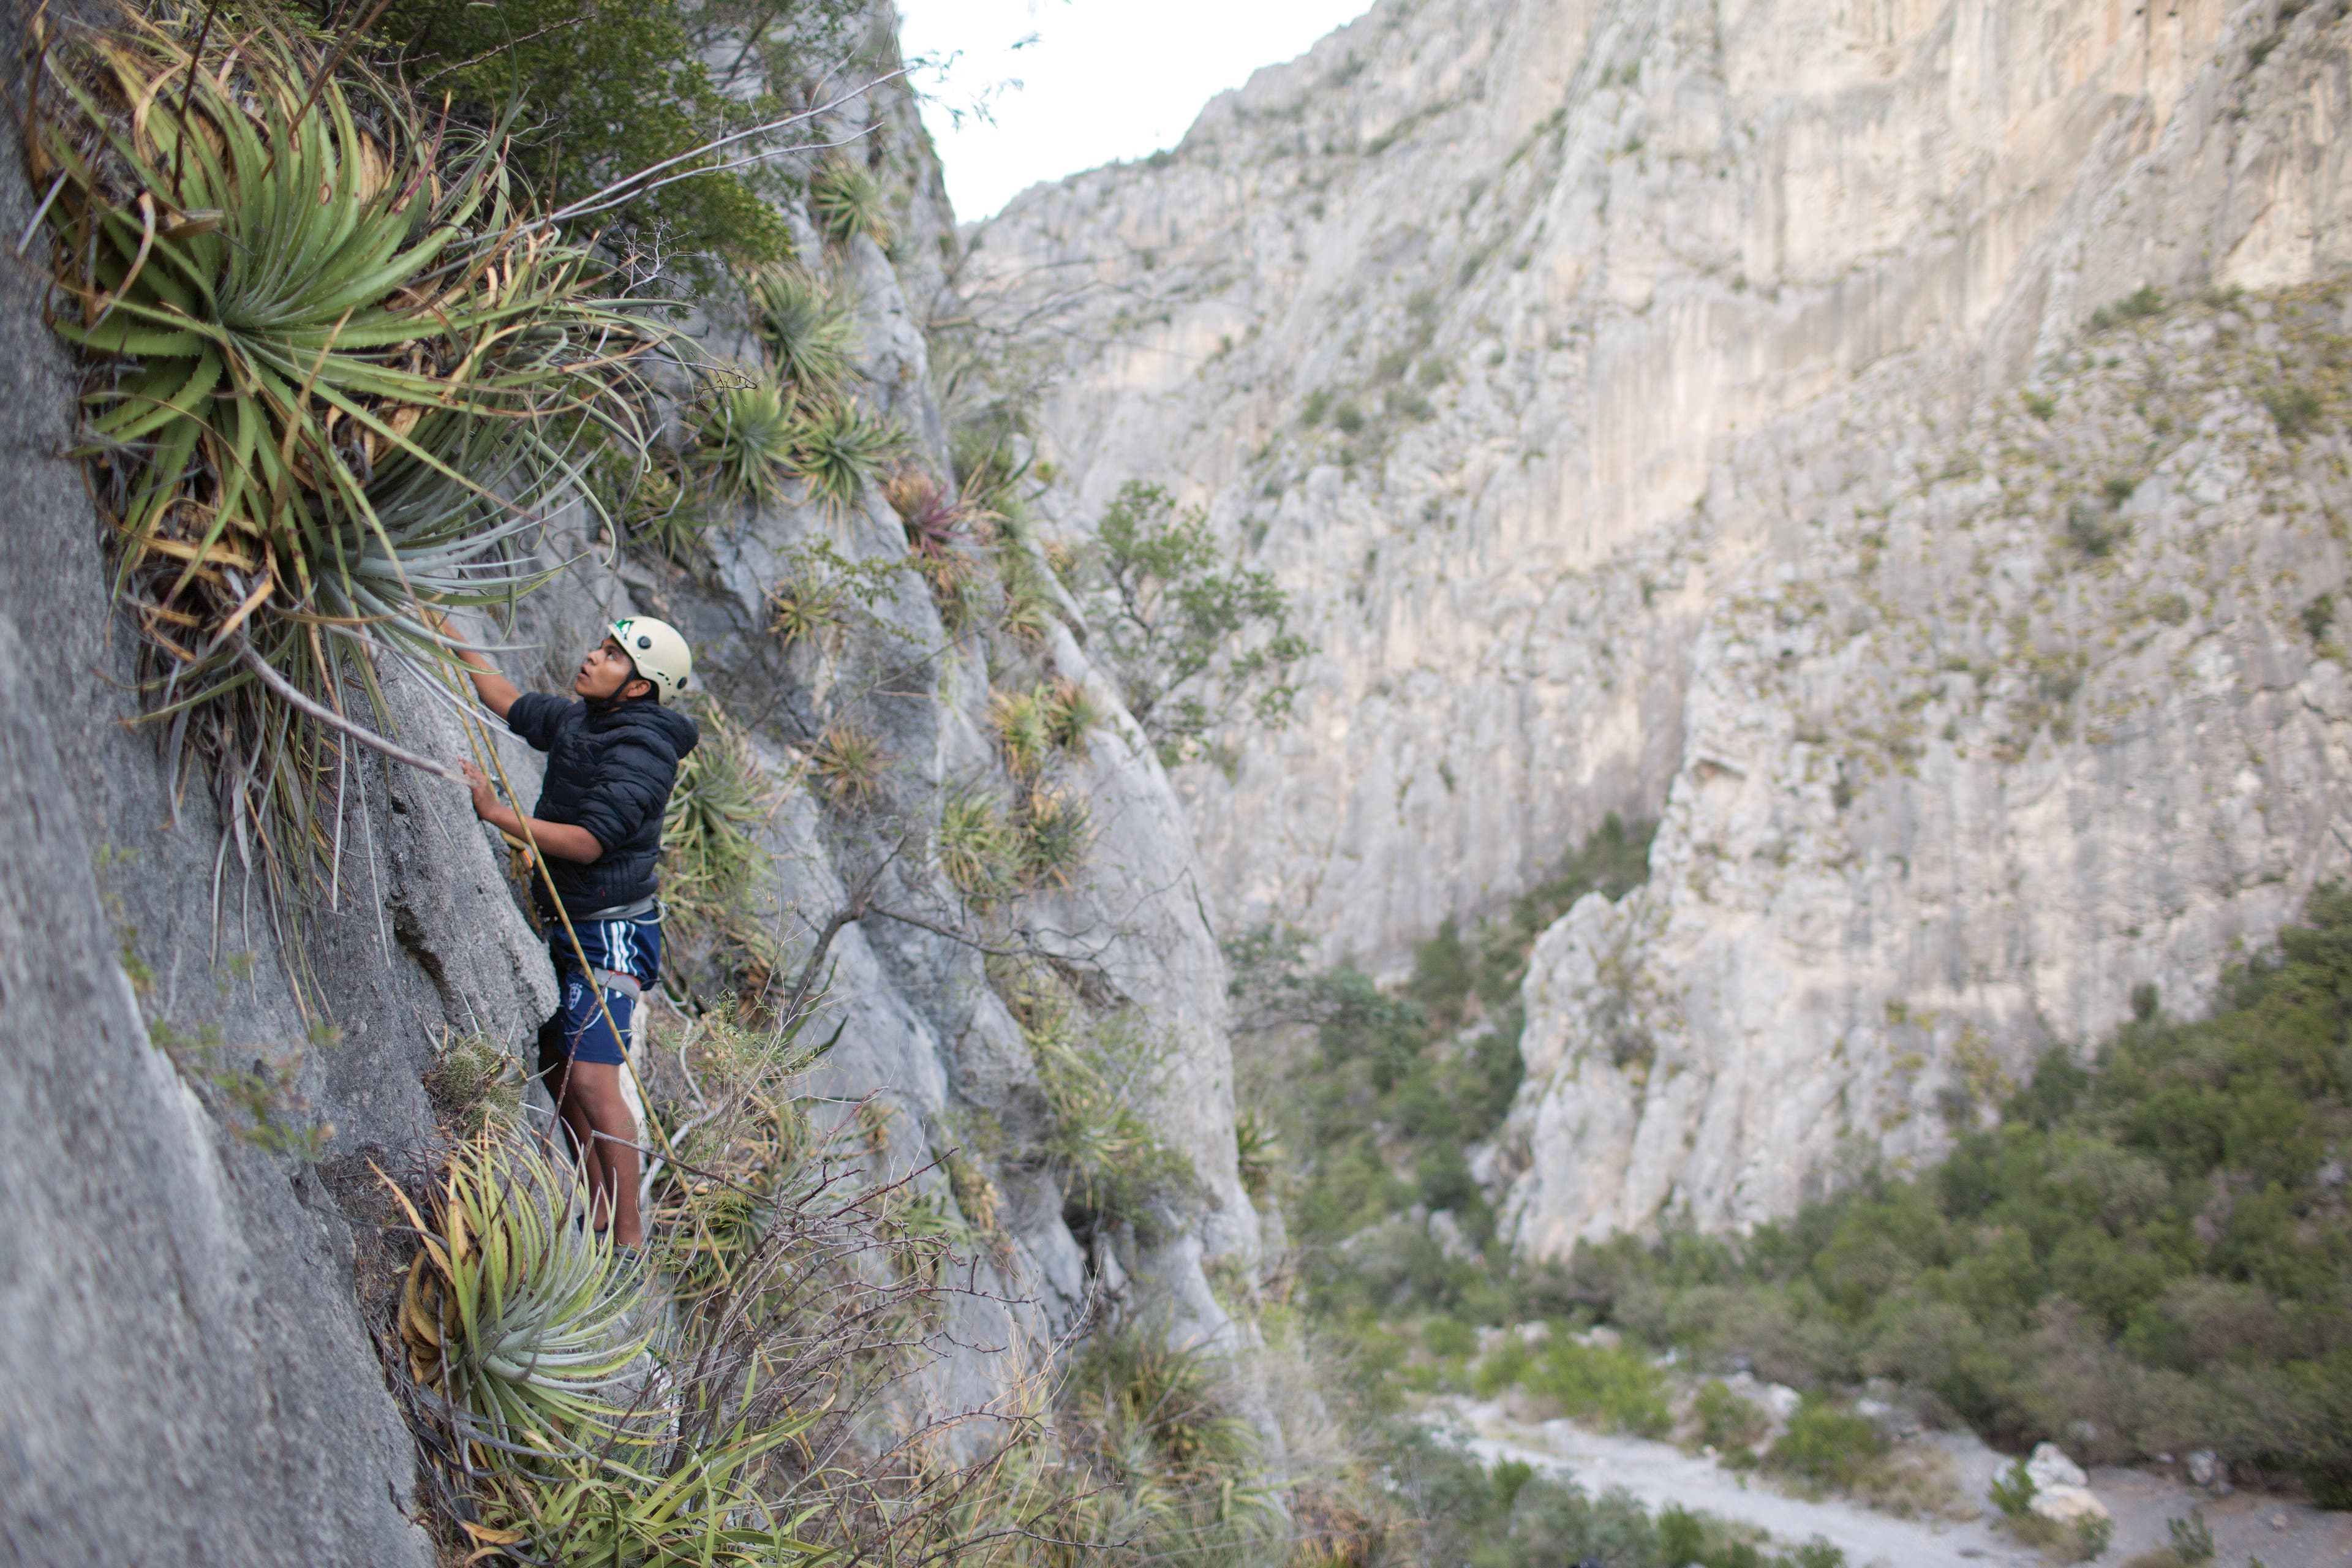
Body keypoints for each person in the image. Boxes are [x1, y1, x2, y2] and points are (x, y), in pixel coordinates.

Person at [442, 614, 699, 1246]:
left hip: (611, 932)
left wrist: (497, 814)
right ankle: (599, 1203)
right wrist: (446, 629)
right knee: (559, 1068)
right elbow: (503, 697)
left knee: (591, 1077)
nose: (592, 656)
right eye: (600, 646)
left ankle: (630, 1238)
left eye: (613, 656)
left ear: (638, 688)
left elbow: (588, 843)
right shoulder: (587, 719)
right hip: (572, 920)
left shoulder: (644, 751)